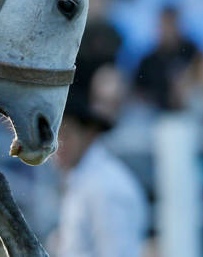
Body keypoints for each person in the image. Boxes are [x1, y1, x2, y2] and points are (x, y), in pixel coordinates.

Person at [51, 95, 148, 257]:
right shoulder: (83, 179)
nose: (57, 145)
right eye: (54, 136)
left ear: (89, 134)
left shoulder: (106, 187)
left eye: (65, 135)